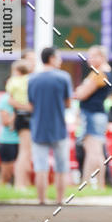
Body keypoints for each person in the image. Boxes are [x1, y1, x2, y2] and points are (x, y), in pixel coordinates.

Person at [27, 47, 73, 205]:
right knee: (61, 167)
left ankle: (42, 200)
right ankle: (60, 200)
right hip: (58, 127)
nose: (60, 61)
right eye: (59, 57)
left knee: (41, 166)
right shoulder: (63, 78)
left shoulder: (32, 79)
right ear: (52, 58)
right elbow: (68, 102)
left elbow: (31, 103)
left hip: (38, 127)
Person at [73, 45, 112, 189]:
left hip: (93, 115)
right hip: (96, 115)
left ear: (101, 57)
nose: (89, 59)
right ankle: (90, 183)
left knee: (94, 151)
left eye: (93, 56)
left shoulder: (100, 73)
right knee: (93, 150)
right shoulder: (103, 72)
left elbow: (81, 94)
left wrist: (80, 90)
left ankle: (97, 184)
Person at [6, 59, 33, 189]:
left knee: (25, 151)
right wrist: (28, 107)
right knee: (25, 152)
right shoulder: (30, 80)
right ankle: (19, 184)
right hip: (27, 117)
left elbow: (10, 99)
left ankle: (23, 183)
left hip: (20, 117)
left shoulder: (12, 82)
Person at [0, 89, 19, 184]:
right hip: (8, 141)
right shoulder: (5, 100)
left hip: (22, 141)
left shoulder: (23, 99)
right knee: (7, 173)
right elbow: (5, 122)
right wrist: (15, 114)